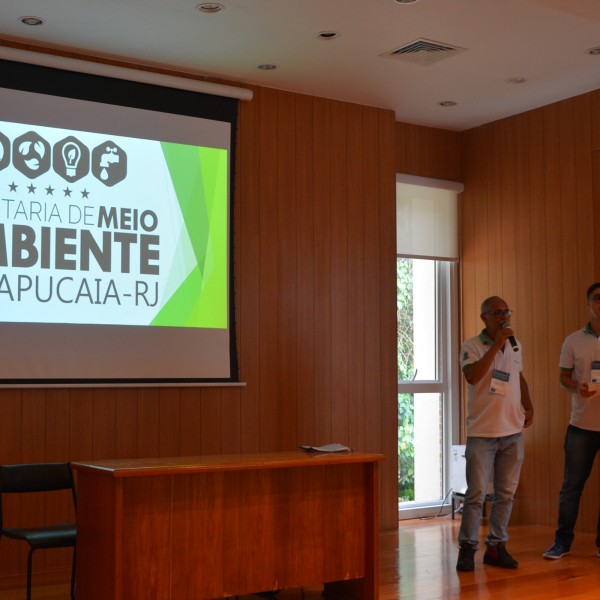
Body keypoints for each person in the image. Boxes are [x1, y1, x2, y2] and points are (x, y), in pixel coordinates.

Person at [456, 296, 534, 572]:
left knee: (505, 494)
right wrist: (498, 344)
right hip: (482, 433)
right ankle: (467, 548)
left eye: (507, 312)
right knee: (476, 494)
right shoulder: (472, 345)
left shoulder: (516, 345)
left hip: (512, 433)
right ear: (484, 317)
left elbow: (518, 375)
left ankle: (496, 547)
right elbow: (473, 376)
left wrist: (528, 404)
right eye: (498, 313)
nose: (504, 317)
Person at [543, 283, 600, 560]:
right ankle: (561, 543)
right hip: (581, 426)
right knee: (571, 487)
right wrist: (577, 387)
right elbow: (563, 378)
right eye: (598, 298)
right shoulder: (573, 340)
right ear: (588, 303)